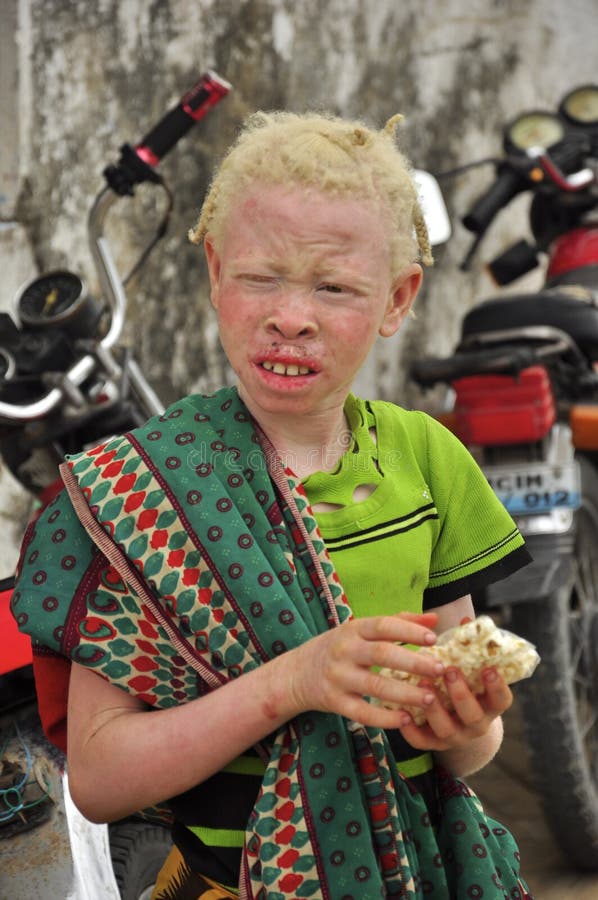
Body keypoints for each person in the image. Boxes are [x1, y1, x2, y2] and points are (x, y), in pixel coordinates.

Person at [12, 110, 534, 900]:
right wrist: (293, 683)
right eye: (262, 276)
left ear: (397, 300)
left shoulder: (428, 462)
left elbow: (467, 747)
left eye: (335, 286)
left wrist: (466, 728)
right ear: (216, 273)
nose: (292, 316)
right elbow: (99, 778)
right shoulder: (139, 495)